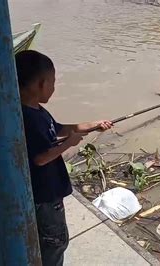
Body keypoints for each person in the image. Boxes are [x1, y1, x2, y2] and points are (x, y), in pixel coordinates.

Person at [15, 50, 113, 265]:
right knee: (55, 242)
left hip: (42, 191)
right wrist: (70, 143)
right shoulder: (29, 119)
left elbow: (58, 129)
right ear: (39, 84)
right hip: (44, 194)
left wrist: (91, 124)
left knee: (48, 239)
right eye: (52, 82)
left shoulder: (33, 110)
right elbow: (40, 158)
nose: (54, 87)